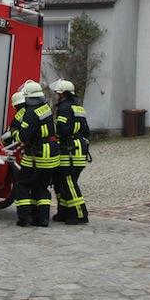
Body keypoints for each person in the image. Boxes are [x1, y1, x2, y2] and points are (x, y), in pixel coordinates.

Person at [11, 81, 60, 227]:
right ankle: (42, 219)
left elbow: (24, 136)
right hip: (51, 153)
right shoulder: (45, 108)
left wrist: (14, 133)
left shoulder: (30, 113)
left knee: (22, 184)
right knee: (41, 186)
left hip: (37, 154)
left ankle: (25, 217)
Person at [49, 79, 89, 225]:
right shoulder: (78, 108)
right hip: (79, 149)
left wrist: (51, 132)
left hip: (69, 152)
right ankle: (64, 212)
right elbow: (86, 131)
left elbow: (62, 129)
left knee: (68, 183)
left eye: (57, 93)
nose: (55, 96)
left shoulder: (63, 108)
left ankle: (80, 214)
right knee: (61, 184)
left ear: (63, 94)